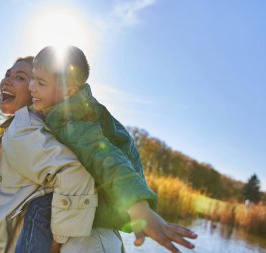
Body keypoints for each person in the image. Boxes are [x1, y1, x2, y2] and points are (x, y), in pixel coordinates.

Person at [27, 45, 198, 253]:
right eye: (32, 78)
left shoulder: (75, 121)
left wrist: (139, 208)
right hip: (89, 220)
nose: (31, 87)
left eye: (40, 83)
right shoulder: (66, 106)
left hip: (96, 228)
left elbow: (108, 161)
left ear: (69, 91)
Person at [0, 57, 123, 253]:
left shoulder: (25, 129)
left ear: (36, 90)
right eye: (7, 74)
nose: (7, 81)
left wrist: (56, 243)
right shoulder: (46, 130)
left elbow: (74, 174)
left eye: (20, 77)